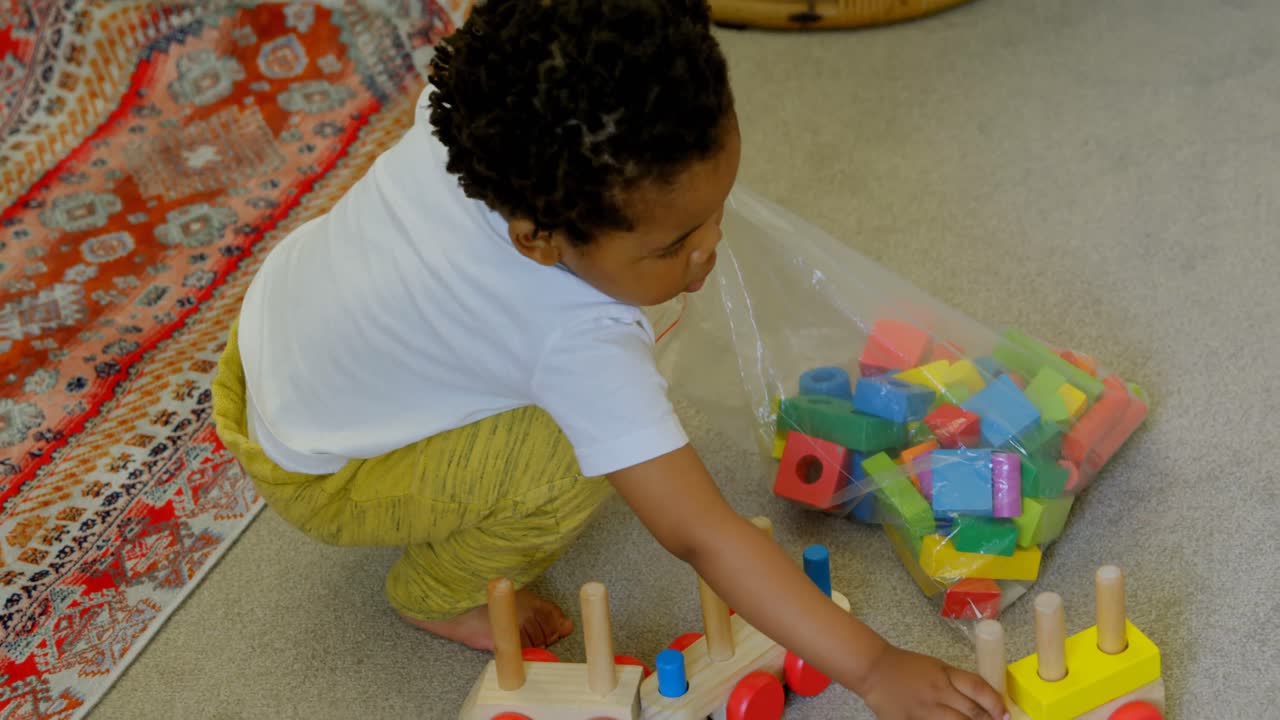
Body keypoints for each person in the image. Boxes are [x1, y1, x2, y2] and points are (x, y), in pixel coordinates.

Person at [211, 1, 1006, 717]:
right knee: (571, 461)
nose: (710, 250)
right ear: (538, 237)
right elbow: (700, 532)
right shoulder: (575, 341)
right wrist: (872, 667)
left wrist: (665, 237)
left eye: (715, 211)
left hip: (270, 335)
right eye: (675, 244)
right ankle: (437, 594)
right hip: (324, 470)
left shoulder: (479, 119)